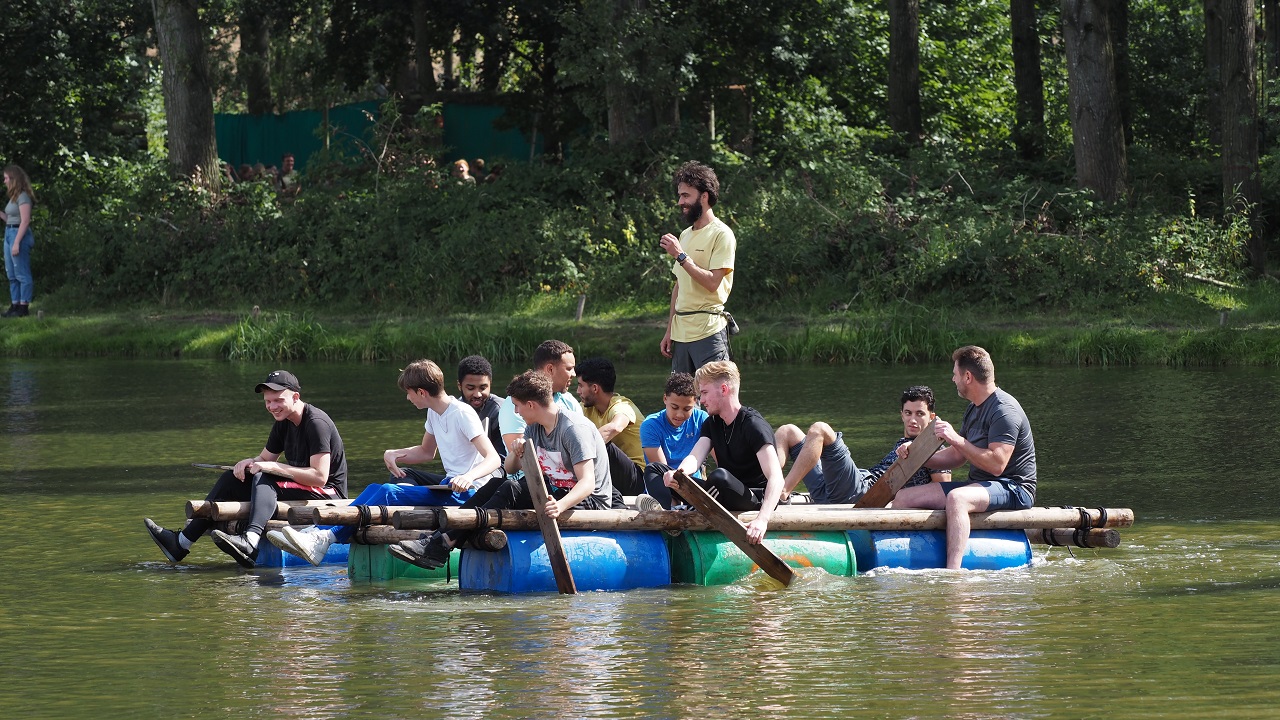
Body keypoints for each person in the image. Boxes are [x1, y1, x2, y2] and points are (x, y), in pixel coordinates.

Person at [267, 360, 500, 565]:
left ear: (421, 392)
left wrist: (468, 477)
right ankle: (318, 532)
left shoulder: (462, 413)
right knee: (374, 489)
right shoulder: (434, 412)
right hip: (450, 485)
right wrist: (395, 453)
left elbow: (493, 459)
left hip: (470, 492)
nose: (407, 398)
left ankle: (324, 538)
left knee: (389, 492)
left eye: (408, 393)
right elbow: (426, 452)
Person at [390, 370, 613, 569]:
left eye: (517, 405)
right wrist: (517, 453)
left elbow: (587, 483)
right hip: (555, 491)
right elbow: (508, 468)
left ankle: (445, 542)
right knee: (496, 483)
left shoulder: (573, 429)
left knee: (510, 488)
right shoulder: (534, 427)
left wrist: (561, 505)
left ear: (532, 405)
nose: (516, 412)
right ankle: (440, 538)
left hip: (588, 500)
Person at [143, 370, 348, 568]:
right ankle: (181, 543)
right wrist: (247, 463)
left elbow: (320, 477)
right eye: (268, 401)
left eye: (278, 400)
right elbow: (264, 459)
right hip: (304, 486)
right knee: (231, 479)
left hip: (329, 494)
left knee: (264, 477)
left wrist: (271, 466)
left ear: (295, 397)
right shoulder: (283, 422)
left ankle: (250, 541)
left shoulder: (316, 423)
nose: (272, 406)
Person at [892, 346, 1038, 569]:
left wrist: (955, 438)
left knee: (958, 498)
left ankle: (953, 573)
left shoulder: (1004, 410)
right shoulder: (973, 409)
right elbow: (957, 457)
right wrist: (917, 455)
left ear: (967, 376)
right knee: (903, 498)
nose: (953, 379)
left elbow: (997, 465)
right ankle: (914, 559)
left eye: (955, 374)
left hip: (1014, 488)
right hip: (981, 486)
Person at [661, 360, 786, 544]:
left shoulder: (753, 425)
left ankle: (692, 506)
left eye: (704, 393)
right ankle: (672, 511)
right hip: (722, 492)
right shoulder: (712, 423)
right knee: (657, 471)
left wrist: (762, 520)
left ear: (724, 389)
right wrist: (678, 475)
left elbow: (777, 477)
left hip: (753, 498)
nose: (701, 401)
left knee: (719, 477)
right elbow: (695, 457)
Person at [659, 161, 736, 374]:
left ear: (704, 196)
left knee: (714, 403)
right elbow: (679, 287)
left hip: (709, 332)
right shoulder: (685, 235)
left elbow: (712, 283)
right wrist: (669, 331)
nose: (680, 202)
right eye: (680, 195)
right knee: (682, 403)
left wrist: (681, 256)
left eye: (686, 196)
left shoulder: (722, 234)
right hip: (681, 334)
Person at [636, 372, 708, 510]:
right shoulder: (650, 425)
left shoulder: (702, 419)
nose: (680, 414)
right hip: (664, 483)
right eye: (674, 407)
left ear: (696, 403)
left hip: (691, 484)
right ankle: (669, 509)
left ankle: (677, 509)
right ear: (665, 399)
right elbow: (663, 471)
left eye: (687, 409)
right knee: (654, 470)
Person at [575, 357, 646, 497]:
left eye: (580, 386)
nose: (578, 391)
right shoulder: (585, 408)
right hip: (612, 476)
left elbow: (615, 427)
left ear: (595, 388)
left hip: (637, 479)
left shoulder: (622, 405)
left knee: (602, 445)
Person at [497, 340, 582, 457]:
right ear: (550, 369)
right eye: (569, 368)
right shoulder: (516, 403)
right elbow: (521, 457)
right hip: (529, 473)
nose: (574, 374)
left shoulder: (568, 400)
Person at [863, 385, 952, 489]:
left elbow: (943, 487)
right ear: (902, 416)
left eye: (919, 414)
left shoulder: (934, 449)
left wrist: (905, 497)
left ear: (931, 417)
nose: (913, 420)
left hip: (869, 490)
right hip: (865, 480)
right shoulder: (901, 443)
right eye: (908, 413)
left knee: (838, 445)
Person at [457, 354, 506, 460]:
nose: (477, 394)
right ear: (459, 386)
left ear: (490, 384)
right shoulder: (455, 410)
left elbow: (503, 458)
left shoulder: (500, 410)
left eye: (483, 388)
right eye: (470, 388)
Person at [3, 165, 36, 318]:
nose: (4, 181)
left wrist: (16, 242)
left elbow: (25, 221)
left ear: (14, 179)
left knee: (22, 273)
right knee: (12, 274)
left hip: (18, 234)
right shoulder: (13, 198)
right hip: (9, 232)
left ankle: (23, 307)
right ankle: (15, 305)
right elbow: (10, 219)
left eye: (6, 178)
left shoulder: (23, 197)